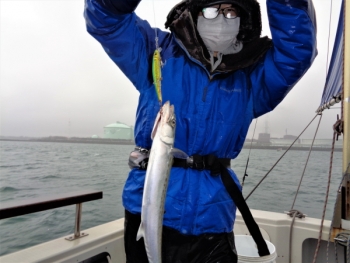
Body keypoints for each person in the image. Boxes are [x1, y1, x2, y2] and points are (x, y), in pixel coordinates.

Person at [84, 0, 317, 262]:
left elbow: (296, 54)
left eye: (231, 12)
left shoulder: (251, 74)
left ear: (242, 19)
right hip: (146, 210)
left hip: (214, 218)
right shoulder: (158, 50)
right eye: (212, 10)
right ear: (196, 13)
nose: (221, 19)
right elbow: (105, 19)